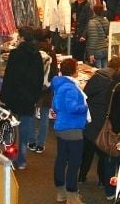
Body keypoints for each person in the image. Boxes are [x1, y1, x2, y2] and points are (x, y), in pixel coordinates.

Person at [79, 56, 120, 199]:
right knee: (103, 151)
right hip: (105, 122)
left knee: (87, 150)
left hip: (91, 117)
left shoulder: (97, 76)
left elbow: (86, 93)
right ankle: (101, 180)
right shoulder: (116, 83)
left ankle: (81, 176)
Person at [0, 26, 44, 170]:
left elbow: (9, 77)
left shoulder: (15, 54)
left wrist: (3, 97)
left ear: (22, 37)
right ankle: (22, 160)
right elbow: (39, 79)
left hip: (14, 96)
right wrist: (35, 96)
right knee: (25, 129)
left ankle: (10, 157)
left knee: (10, 127)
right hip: (29, 98)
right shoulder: (37, 55)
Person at [52, 57, 90, 204]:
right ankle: (72, 195)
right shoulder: (71, 88)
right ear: (74, 70)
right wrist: (85, 107)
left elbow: (56, 106)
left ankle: (60, 193)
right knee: (74, 163)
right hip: (73, 128)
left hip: (61, 127)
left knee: (61, 160)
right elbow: (72, 107)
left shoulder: (60, 85)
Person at [31, 28, 58, 155]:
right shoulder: (51, 52)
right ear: (48, 39)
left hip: (32, 86)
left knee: (31, 114)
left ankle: (31, 141)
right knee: (44, 116)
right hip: (46, 88)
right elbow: (54, 72)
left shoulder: (32, 50)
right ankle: (40, 144)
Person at [85, 4, 109, 68]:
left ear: (94, 11)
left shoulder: (91, 22)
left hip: (96, 50)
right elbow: (107, 34)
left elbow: (93, 39)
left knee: (98, 71)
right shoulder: (106, 21)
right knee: (105, 71)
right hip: (105, 48)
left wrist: (91, 53)